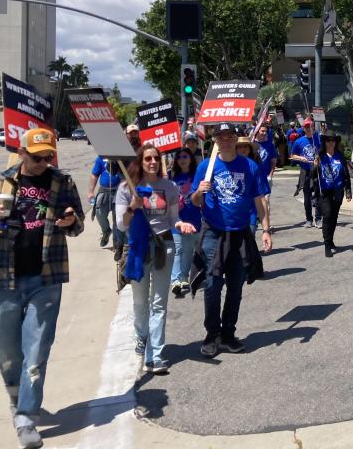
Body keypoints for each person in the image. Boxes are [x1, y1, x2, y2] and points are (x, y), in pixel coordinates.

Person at [0, 128, 84, 449]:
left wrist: (70, 220)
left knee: (37, 349)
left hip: (45, 277)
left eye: (49, 156)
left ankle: (25, 416)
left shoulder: (63, 183)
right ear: (22, 153)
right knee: (4, 347)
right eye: (37, 157)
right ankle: (17, 395)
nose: (44, 162)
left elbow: (78, 223)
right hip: (4, 276)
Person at [190, 123, 272, 357]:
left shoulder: (250, 166)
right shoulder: (206, 167)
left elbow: (260, 201)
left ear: (236, 139)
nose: (225, 140)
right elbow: (194, 201)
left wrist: (265, 230)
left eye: (229, 136)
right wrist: (200, 191)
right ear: (214, 140)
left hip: (240, 233)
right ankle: (211, 334)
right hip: (214, 232)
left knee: (235, 286)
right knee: (213, 285)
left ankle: (228, 334)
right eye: (220, 136)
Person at [115, 144, 193, 375]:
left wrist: (180, 224)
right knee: (140, 303)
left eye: (156, 159)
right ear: (140, 161)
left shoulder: (168, 187)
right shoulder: (126, 188)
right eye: (148, 158)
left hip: (163, 247)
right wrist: (132, 206)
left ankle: (155, 354)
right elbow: (121, 225)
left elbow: (172, 219)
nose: (152, 162)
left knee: (159, 303)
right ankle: (141, 336)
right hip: (138, 248)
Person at [315, 130, 352, 257]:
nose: (331, 143)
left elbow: (346, 174)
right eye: (328, 140)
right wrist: (315, 166)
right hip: (324, 192)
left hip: (338, 191)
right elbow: (312, 175)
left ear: (336, 142)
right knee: (327, 215)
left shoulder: (340, 156)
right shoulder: (320, 156)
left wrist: (348, 190)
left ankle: (330, 240)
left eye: (333, 140)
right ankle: (326, 244)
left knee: (334, 217)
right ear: (324, 142)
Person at [168, 149, 200, 298]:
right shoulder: (172, 177)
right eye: (179, 157)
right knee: (179, 249)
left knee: (188, 250)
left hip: (194, 218)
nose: (182, 159)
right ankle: (175, 280)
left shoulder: (197, 176)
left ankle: (184, 278)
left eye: (185, 156)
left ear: (191, 158)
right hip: (177, 219)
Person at [87, 156, 125, 250]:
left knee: (117, 219)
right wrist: (91, 191)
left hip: (118, 191)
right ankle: (106, 231)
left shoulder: (123, 157)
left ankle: (117, 245)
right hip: (104, 190)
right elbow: (94, 175)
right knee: (99, 213)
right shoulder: (100, 158)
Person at [290, 119, 321, 228]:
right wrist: (300, 158)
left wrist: (319, 159)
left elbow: (324, 152)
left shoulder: (318, 139)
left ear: (313, 127)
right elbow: (292, 155)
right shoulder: (299, 141)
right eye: (306, 127)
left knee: (318, 195)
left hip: (317, 170)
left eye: (310, 127)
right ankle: (309, 219)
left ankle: (318, 219)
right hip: (305, 171)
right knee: (307, 197)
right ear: (303, 128)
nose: (308, 129)